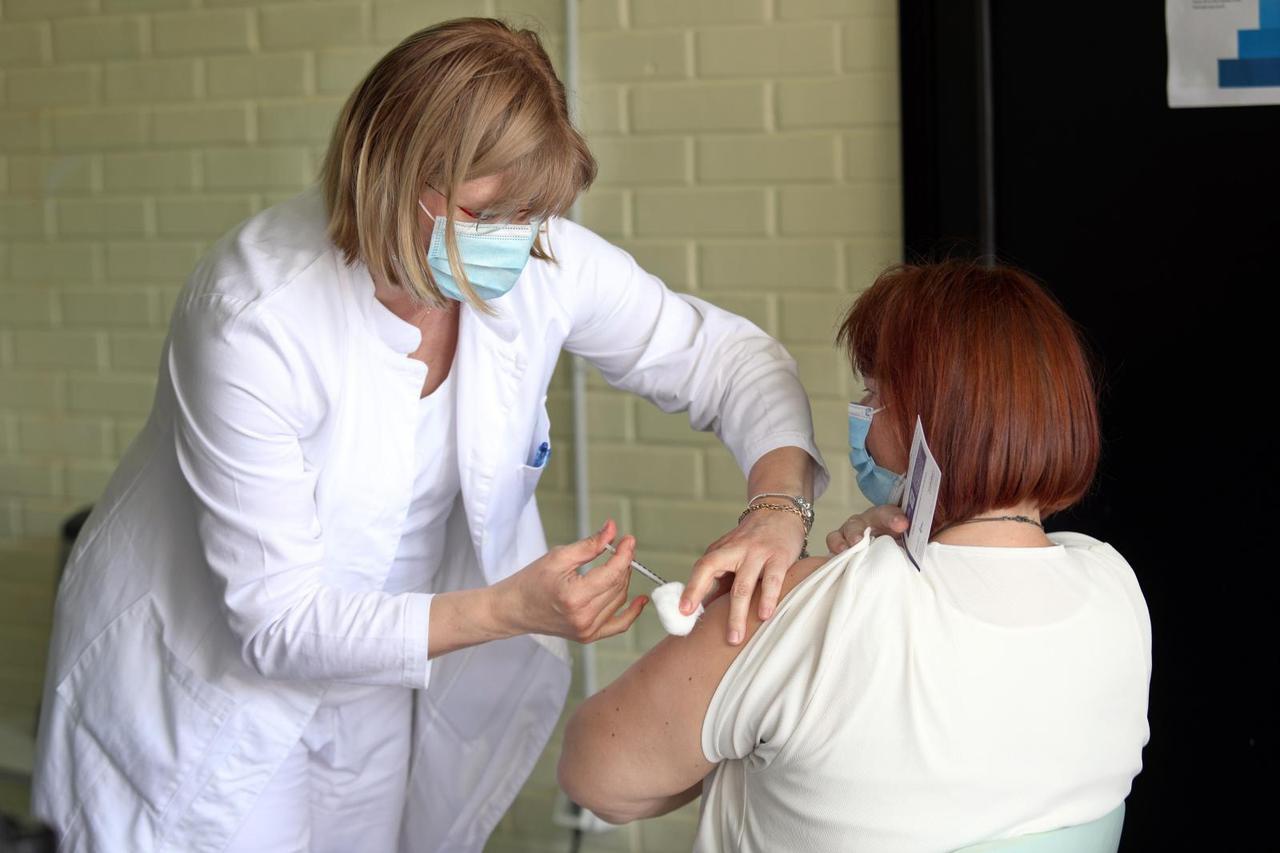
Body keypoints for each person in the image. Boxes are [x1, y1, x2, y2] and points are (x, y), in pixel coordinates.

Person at [31, 18, 826, 853]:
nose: (515, 242)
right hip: (204, 691)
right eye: (488, 213)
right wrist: (511, 607)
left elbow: (725, 360)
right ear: (395, 176)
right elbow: (277, 623)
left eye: (533, 216)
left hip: (377, 676)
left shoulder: (533, 254)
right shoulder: (254, 316)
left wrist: (777, 509)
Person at [558, 260, 1152, 852]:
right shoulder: (1115, 589)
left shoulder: (816, 611)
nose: (860, 411)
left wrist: (777, 611)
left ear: (930, 421)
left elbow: (595, 777)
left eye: (873, 392)